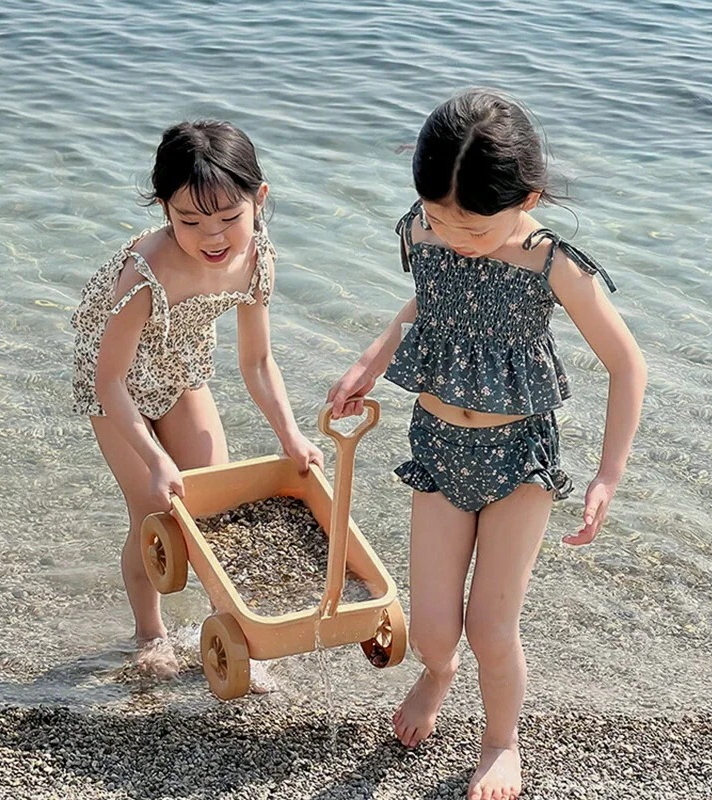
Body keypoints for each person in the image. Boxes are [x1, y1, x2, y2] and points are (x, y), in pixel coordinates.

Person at [327, 88, 646, 800]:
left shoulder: (553, 263)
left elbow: (628, 364)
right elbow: (424, 304)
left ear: (528, 198)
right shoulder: (426, 229)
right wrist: (370, 362)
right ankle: (437, 676)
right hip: (438, 447)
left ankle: (501, 741)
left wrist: (608, 474)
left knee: (490, 629)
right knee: (436, 632)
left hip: (518, 460)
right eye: (441, 218)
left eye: (474, 226)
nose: (454, 236)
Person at [72, 120, 323, 678]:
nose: (213, 237)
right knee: (153, 513)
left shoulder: (257, 257)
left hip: (181, 370)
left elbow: (257, 362)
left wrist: (291, 435)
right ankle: (149, 635)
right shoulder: (146, 273)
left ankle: (232, 636)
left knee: (213, 509)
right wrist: (157, 460)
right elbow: (110, 380)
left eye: (229, 219)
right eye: (190, 220)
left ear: (259, 200)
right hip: (117, 387)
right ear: (164, 209)